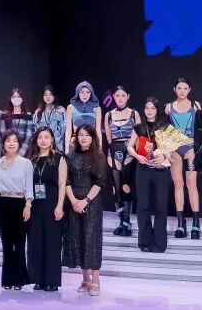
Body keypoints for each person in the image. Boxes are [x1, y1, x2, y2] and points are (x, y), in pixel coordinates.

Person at [63, 125, 107, 296]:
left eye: (87, 135)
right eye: (80, 134)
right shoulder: (70, 155)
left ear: (93, 137)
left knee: (91, 239)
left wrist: (85, 201)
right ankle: (85, 279)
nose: (83, 138)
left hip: (92, 201)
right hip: (73, 200)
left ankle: (95, 279)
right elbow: (66, 180)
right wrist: (74, 201)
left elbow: (100, 182)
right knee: (78, 237)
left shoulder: (99, 156)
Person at [165, 77, 202, 239]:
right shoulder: (169, 107)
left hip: (191, 148)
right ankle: (180, 223)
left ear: (189, 90)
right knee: (178, 184)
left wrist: (200, 148)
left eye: (185, 88)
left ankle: (196, 224)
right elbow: (163, 129)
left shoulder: (195, 105)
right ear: (174, 89)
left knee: (191, 184)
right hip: (175, 149)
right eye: (179, 88)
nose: (182, 91)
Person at [25, 126, 66, 291]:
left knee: (52, 242)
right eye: (40, 137)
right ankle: (38, 279)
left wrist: (60, 205)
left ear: (52, 140)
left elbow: (62, 184)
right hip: (35, 206)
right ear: (36, 140)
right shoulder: (31, 160)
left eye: (46, 137)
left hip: (52, 204)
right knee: (35, 242)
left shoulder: (59, 158)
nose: (43, 140)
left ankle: (52, 281)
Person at [127, 98, 170, 253]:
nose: (149, 111)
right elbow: (130, 147)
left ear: (157, 110)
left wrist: (162, 157)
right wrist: (138, 156)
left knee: (161, 206)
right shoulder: (138, 128)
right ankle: (144, 242)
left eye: (152, 108)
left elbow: (170, 150)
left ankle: (159, 243)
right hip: (143, 169)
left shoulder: (165, 127)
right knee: (143, 206)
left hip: (161, 171)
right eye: (147, 108)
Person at [0, 130, 33, 290]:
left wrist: (28, 205)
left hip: (20, 204)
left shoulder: (26, 163)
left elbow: (29, 186)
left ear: (19, 144)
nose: (11, 143)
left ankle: (19, 279)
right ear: (3, 144)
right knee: (6, 243)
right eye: (8, 140)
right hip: (2, 203)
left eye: (14, 141)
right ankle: (7, 279)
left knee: (19, 243)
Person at [105, 86, 140, 237]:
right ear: (113, 96)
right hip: (114, 151)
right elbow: (108, 137)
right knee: (116, 188)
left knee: (126, 186)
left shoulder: (134, 114)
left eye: (123, 95)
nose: (120, 98)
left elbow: (139, 135)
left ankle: (127, 222)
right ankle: (122, 221)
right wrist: (113, 150)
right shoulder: (108, 115)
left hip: (129, 151)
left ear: (128, 96)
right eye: (117, 95)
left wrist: (134, 152)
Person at [65, 81, 102, 154]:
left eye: (88, 92)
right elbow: (68, 130)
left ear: (91, 93)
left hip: (91, 143)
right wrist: (66, 149)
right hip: (76, 142)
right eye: (82, 92)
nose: (85, 95)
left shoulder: (97, 108)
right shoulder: (71, 107)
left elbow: (98, 131)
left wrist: (100, 148)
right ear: (78, 93)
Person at [33, 85, 66, 149]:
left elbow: (63, 130)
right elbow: (36, 131)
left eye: (50, 94)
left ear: (54, 96)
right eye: (45, 95)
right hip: (41, 146)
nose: (48, 97)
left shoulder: (60, 110)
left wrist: (52, 142)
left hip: (57, 146)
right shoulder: (38, 112)